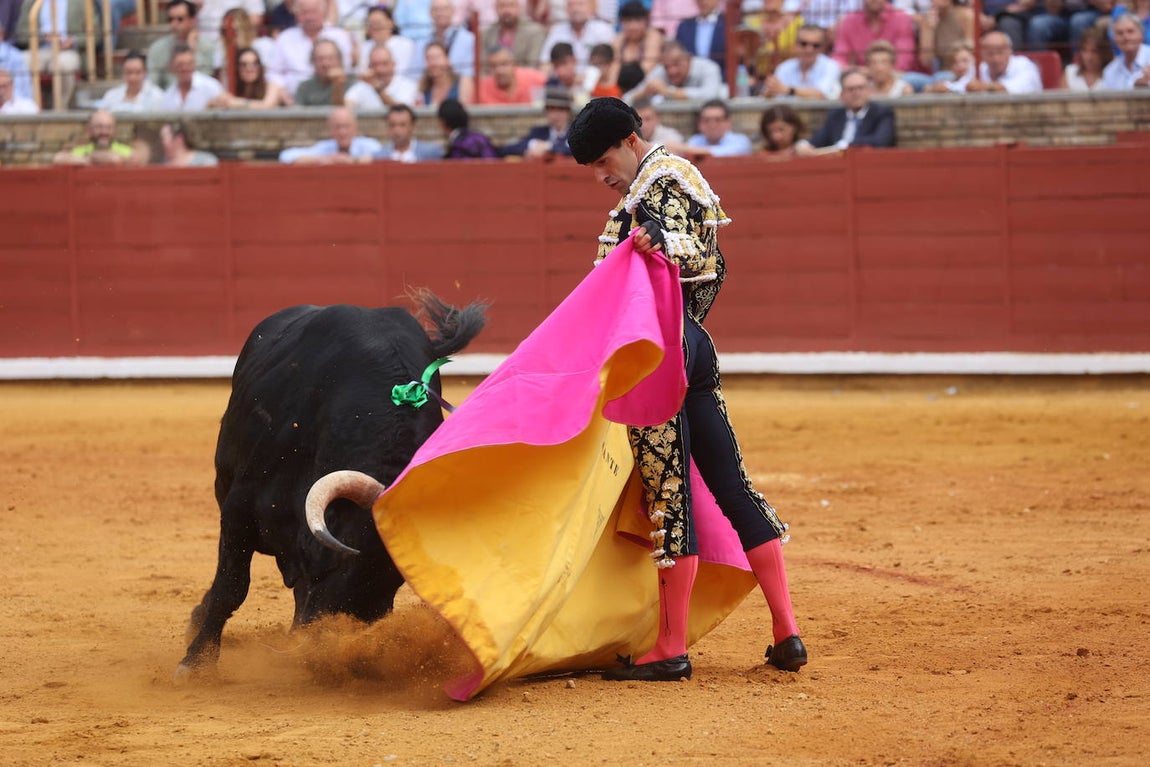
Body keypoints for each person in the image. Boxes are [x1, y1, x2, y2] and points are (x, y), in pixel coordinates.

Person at [565, 97, 807, 681]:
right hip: (692, 342)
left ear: (628, 140)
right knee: (732, 484)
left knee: (669, 493)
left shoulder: (657, 187)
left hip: (658, 351)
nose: (602, 175)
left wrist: (658, 239)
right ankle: (787, 631)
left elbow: (692, 253)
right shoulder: (677, 176)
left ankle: (669, 646)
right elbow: (714, 265)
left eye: (603, 160)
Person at [266, 0, 354, 96]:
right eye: (304, 12)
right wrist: (282, 94)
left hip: (331, 96)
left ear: (323, 12)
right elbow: (273, 73)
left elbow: (345, 69)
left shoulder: (339, 36)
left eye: (313, 11)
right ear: (296, 14)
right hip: (291, 99)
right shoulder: (285, 38)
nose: (309, 17)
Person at [809, 67, 896, 149]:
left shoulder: (882, 113)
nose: (856, 93)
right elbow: (818, 140)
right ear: (842, 95)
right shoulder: (835, 115)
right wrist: (804, 145)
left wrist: (847, 144)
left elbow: (881, 141)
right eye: (851, 89)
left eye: (860, 88)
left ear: (869, 91)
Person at [18, 0, 84, 108]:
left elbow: (96, 33)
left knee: (62, 65)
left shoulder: (80, 2)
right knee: (20, 61)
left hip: (68, 50)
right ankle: (30, 108)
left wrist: (73, 41)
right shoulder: (31, 2)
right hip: (39, 49)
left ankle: (60, 109)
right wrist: (42, 37)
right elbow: (21, 34)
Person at [622, 39, 725, 103]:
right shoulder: (660, 70)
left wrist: (669, 91)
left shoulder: (709, 67)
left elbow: (710, 96)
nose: (672, 71)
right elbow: (626, 98)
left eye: (676, 64)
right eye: (667, 66)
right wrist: (644, 92)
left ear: (688, 59)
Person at [147, 0, 216, 90]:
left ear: (193, 20)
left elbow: (206, 81)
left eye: (180, 19)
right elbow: (153, 84)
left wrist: (192, 50)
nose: (174, 24)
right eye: (170, 19)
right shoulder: (158, 48)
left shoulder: (207, 47)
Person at [832, 0, 917, 72]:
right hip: (861, 78)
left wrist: (876, 72)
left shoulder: (902, 18)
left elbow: (903, 62)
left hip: (895, 77)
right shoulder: (849, 21)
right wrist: (860, 72)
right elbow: (839, 59)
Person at [763, 23, 842, 99]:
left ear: (822, 48)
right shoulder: (784, 67)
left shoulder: (831, 66)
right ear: (795, 44)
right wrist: (770, 92)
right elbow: (775, 93)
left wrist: (788, 90)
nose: (809, 50)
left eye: (816, 45)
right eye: (803, 44)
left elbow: (822, 94)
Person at [279, 105, 383, 163]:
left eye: (346, 126)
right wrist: (321, 159)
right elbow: (285, 156)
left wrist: (356, 160)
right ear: (330, 130)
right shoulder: (325, 147)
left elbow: (386, 154)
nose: (342, 132)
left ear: (355, 129)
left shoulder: (367, 145)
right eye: (337, 127)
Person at [539, 0, 615, 73]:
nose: (575, 9)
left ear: (591, 8)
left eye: (580, 4)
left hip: (594, 81)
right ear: (566, 9)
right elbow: (545, 62)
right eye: (571, 5)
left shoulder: (603, 29)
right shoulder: (557, 30)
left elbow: (611, 63)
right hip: (563, 82)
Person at [499, 85, 574, 157]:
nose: (556, 115)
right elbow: (506, 150)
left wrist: (548, 146)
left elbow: (577, 149)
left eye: (561, 110)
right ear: (546, 113)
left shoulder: (576, 133)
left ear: (568, 112)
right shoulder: (538, 132)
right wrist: (533, 144)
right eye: (552, 110)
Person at [209, 46, 290, 108]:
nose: (249, 69)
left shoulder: (272, 85)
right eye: (244, 65)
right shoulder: (230, 86)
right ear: (236, 68)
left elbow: (267, 106)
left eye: (254, 64)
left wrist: (238, 102)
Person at [965, 30, 1043, 93]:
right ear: (982, 54)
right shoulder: (979, 68)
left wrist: (984, 87)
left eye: (1000, 52)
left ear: (1009, 51)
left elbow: (1015, 89)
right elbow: (960, 86)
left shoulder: (1025, 65)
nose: (995, 59)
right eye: (990, 53)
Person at [344, 43, 420, 108]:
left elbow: (401, 112)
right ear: (369, 67)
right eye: (375, 64)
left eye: (384, 64)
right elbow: (346, 106)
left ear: (393, 64)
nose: (380, 69)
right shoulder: (361, 87)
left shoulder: (408, 85)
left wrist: (377, 87)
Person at [916, 0, 974, 79]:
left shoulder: (965, 15)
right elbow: (926, 61)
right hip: (940, 73)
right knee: (910, 79)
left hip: (962, 70)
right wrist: (930, 30)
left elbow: (971, 50)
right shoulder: (927, 20)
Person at [417, 0, 477, 77]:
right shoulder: (422, 43)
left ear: (453, 11)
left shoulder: (469, 39)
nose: (440, 13)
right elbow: (416, 74)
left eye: (444, 9)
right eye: (436, 9)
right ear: (430, 13)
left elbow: (469, 73)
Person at [480, 0, 547, 68]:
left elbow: (532, 65)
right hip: (492, 77)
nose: (506, 10)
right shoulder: (486, 34)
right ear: (495, 9)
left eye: (511, 5)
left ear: (519, 8)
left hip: (523, 77)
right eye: (502, 6)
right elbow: (483, 67)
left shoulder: (535, 32)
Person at [613, 0, 663, 90]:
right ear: (621, 22)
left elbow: (647, 68)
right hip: (621, 87)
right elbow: (613, 69)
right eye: (628, 21)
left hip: (648, 88)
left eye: (638, 20)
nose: (633, 26)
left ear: (646, 21)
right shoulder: (618, 39)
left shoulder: (653, 36)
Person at [52, 109, 132, 164]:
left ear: (115, 130)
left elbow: (116, 159)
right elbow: (58, 158)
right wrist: (91, 159)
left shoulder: (125, 150)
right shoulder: (83, 150)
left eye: (109, 127)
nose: (104, 132)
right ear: (89, 130)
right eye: (99, 127)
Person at [359, 5, 417, 81]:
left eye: (379, 22)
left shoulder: (405, 44)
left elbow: (401, 73)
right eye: (371, 23)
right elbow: (363, 73)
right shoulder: (364, 47)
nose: (376, 27)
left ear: (391, 23)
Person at [295, 38, 359, 105]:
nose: (325, 63)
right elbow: (296, 113)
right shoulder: (305, 87)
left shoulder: (353, 84)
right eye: (320, 59)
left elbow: (343, 111)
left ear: (340, 60)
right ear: (313, 62)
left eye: (330, 58)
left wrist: (338, 85)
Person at [161, 44, 225, 110]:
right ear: (172, 67)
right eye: (180, 65)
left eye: (189, 64)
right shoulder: (168, 95)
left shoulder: (211, 87)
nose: (185, 68)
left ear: (195, 64)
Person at [476, 44, 547, 103]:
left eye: (504, 64)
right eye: (493, 66)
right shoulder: (481, 89)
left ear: (513, 64)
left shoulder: (535, 79)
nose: (499, 71)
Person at [674, 0, 727, 78]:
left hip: (723, 82)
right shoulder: (684, 27)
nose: (703, 1)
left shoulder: (729, 24)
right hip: (690, 83)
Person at [373, 103, 445, 161]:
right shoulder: (379, 156)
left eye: (402, 125)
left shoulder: (430, 152)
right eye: (392, 125)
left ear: (412, 126)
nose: (397, 130)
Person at [98, 51, 166, 111]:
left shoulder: (157, 97)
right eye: (128, 72)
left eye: (137, 72)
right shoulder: (111, 95)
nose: (132, 78)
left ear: (145, 72)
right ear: (122, 73)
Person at [685, 98, 753, 156]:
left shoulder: (741, 141)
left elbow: (724, 153)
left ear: (728, 122)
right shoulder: (695, 140)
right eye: (706, 120)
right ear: (699, 123)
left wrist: (688, 149)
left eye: (718, 120)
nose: (712, 125)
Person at [418, 40, 474, 106]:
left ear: (447, 60)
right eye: (429, 58)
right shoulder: (423, 89)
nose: (433, 63)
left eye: (437, 57)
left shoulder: (462, 82)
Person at [1102, 13, 1150, 89]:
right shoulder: (1110, 70)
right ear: (1114, 39)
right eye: (1120, 33)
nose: (1126, 37)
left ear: (1141, 34)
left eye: (1130, 31)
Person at [1062, 26, 1112, 90]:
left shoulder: (1112, 74)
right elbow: (1061, 99)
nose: (1089, 57)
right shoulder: (1070, 73)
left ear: (1104, 52)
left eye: (1094, 51)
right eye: (1084, 50)